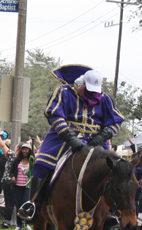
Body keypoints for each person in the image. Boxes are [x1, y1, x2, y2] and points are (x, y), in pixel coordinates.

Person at [20, 68, 123, 220]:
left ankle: (108, 213)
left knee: (111, 169)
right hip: (62, 138)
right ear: (81, 84)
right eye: (88, 91)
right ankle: (35, 205)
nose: (92, 95)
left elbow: (115, 123)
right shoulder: (64, 92)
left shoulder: (105, 99)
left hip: (95, 141)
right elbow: (54, 115)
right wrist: (70, 137)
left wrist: (101, 137)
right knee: (42, 163)